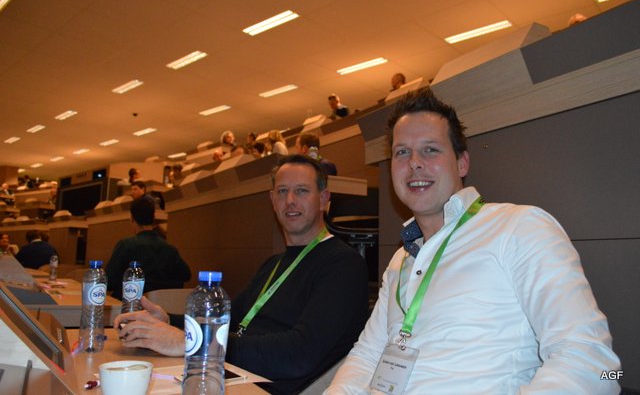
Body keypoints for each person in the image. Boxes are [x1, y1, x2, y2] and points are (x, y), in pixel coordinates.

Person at [326, 88, 620, 394]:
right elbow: (366, 357)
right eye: (402, 152)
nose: (414, 163)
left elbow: (592, 364)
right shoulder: (401, 261)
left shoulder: (519, 228)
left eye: (430, 149)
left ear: (462, 163)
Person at [115, 155, 369, 394]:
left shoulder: (343, 264)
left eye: (302, 190)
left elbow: (298, 355)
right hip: (232, 374)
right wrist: (169, 321)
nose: (290, 200)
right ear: (272, 200)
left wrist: (194, 342)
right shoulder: (274, 263)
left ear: (324, 199)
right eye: (282, 191)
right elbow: (231, 318)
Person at [105, 197, 191, 300]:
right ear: (153, 218)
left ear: (132, 218)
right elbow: (186, 275)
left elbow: (108, 282)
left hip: (130, 305)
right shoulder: (170, 249)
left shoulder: (126, 246)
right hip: (163, 306)